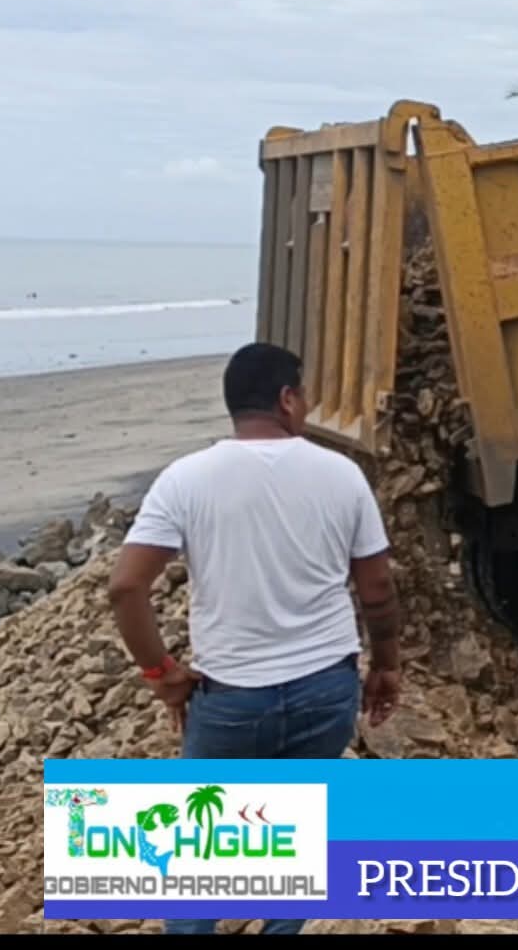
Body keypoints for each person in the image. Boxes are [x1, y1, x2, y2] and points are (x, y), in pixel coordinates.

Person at [107, 342, 403, 937]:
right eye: (304, 394)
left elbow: (125, 588)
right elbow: (376, 589)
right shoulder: (341, 475)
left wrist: (162, 674)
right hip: (326, 690)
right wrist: (386, 666)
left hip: (232, 700)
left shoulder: (186, 479)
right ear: (287, 399)